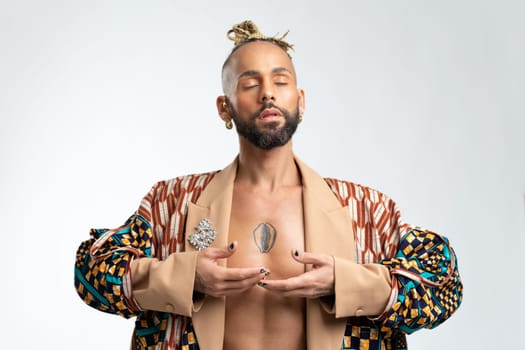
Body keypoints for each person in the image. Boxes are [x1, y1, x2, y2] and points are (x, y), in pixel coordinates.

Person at [74, 20, 463, 350]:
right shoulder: (171, 202)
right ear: (224, 108)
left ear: (301, 100)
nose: (268, 92)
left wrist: (344, 283)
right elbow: (91, 273)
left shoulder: (366, 208)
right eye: (249, 83)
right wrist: (185, 277)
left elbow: (444, 284)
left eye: (281, 80)